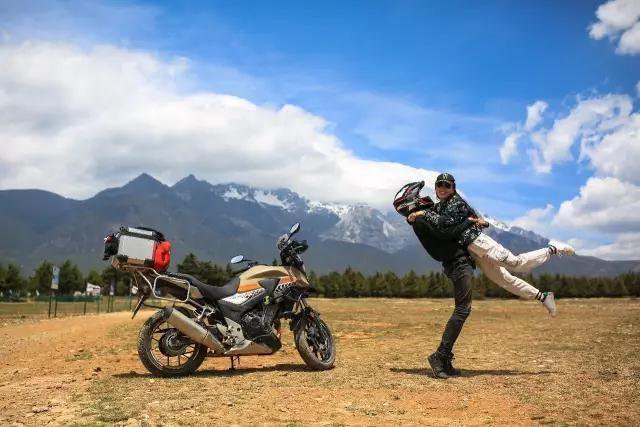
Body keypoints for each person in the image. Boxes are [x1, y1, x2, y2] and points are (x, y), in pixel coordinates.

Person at [406, 173, 575, 317]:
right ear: (435, 187)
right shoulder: (440, 206)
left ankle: (553, 248)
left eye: (447, 185)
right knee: (505, 280)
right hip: (472, 252)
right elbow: (439, 220)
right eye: (439, 185)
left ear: (453, 188)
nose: (442, 188)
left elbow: (444, 223)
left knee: (517, 264)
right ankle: (543, 296)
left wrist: (423, 213)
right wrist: (414, 214)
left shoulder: (455, 202)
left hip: (480, 243)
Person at [393, 181, 475, 379]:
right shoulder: (422, 221)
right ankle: (440, 356)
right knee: (462, 309)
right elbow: (449, 232)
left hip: (457, 262)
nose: (425, 198)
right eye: (419, 196)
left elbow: (442, 217)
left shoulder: (422, 217)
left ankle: (444, 359)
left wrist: (421, 213)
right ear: (414, 203)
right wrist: (470, 221)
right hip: (457, 263)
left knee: (463, 308)